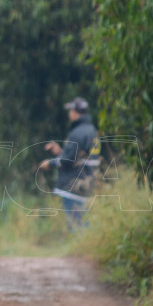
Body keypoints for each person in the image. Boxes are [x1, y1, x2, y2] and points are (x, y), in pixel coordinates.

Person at [38, 97, 100, 230]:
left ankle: (82, 248)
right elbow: (79, 157)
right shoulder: (91, 130)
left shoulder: (77, 133)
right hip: (87, 182)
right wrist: (60, 151)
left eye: (70, 110)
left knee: (76, 225)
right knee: (83, 222)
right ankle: (86, 245)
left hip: (74, 185)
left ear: (76, 112)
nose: (69, 113)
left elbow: (68, 160)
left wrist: (50, 163)